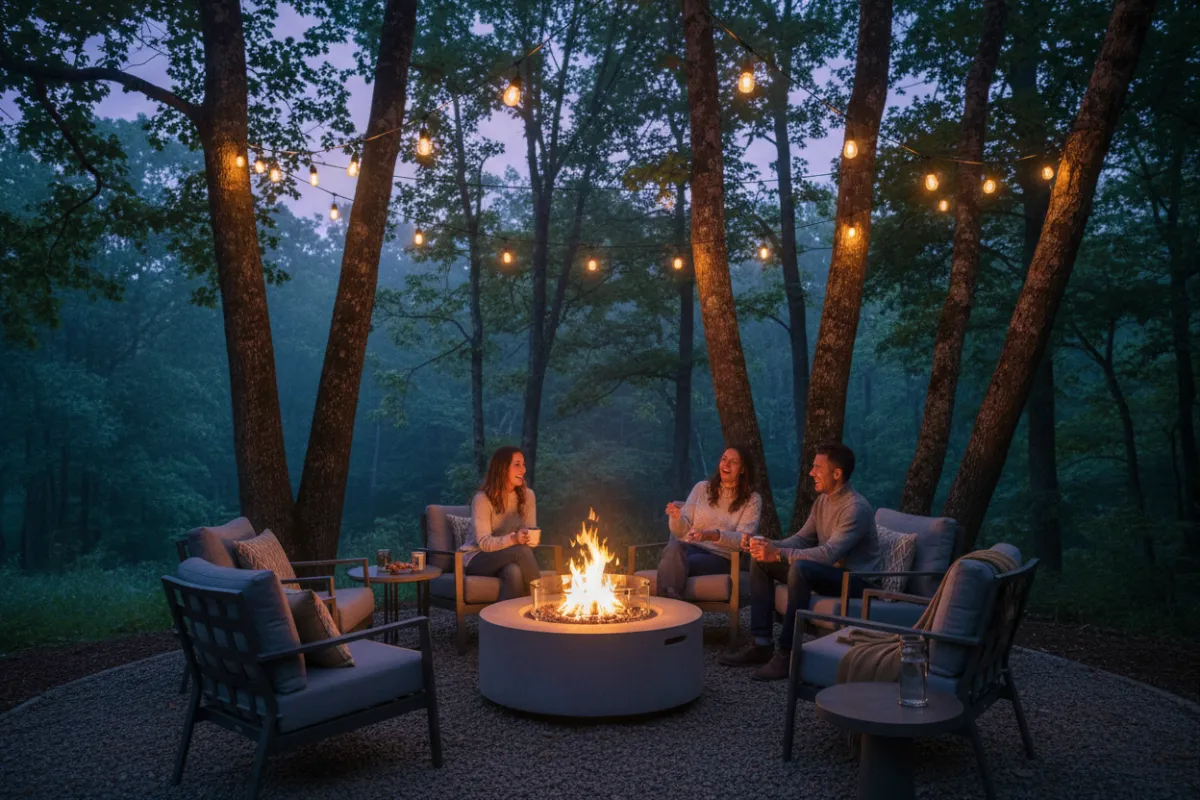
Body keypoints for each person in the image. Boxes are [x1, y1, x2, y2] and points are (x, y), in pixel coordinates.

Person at [720, 442, 880, 681]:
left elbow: (828, 554)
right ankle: (762, 644)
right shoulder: (823, 501)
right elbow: (802, 540)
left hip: (857, 581)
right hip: (830, 574)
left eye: (817, 467)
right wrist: (768, 546)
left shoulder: (855, 509)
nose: (811, 472)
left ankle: (787, 655)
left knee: (801, 568)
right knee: (760, 561)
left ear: (837, 474)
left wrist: (780, 554)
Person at [656, 446, 763, 599]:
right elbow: (681, 532)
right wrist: (676, 517)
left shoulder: (752, 500)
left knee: (674, 563)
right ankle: (673, 602)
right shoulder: (701, 488)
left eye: (733, 462)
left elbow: (744, 540)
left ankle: (671, 608)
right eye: (724, 459)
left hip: (721, 556)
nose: (726, 465)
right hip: (691, 547)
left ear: (742, 469)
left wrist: (712, 535)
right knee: (673, 548)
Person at [462, 446, 541, 600]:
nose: (523, 470)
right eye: (517, 464)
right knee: (521, 552)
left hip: (508, 556)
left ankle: (506, 621)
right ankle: (543, 602)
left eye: (523, 464)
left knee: (513, 572)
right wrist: (514, 539)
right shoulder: (482, 499)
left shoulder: (528, 496)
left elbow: (529, 531)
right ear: (502, 468)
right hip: (477, 558)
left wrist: (529, 537)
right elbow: (484, 543)